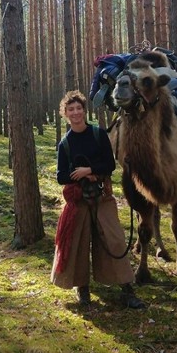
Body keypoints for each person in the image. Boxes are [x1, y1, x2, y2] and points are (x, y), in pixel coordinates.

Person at [51, 90, 145, 309]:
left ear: (84, 110)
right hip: (79, 201)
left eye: (79, 108)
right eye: (71, 109)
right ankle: (82, 289)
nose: (75, 113)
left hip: (102, 197)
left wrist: (91, 170)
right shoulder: (64, 144)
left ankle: (126, 288)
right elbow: (61, 176)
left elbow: (109, 165)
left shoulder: (98, 135)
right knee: (79, 245)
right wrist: (79, 175)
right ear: (65, 113)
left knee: (114, 240)